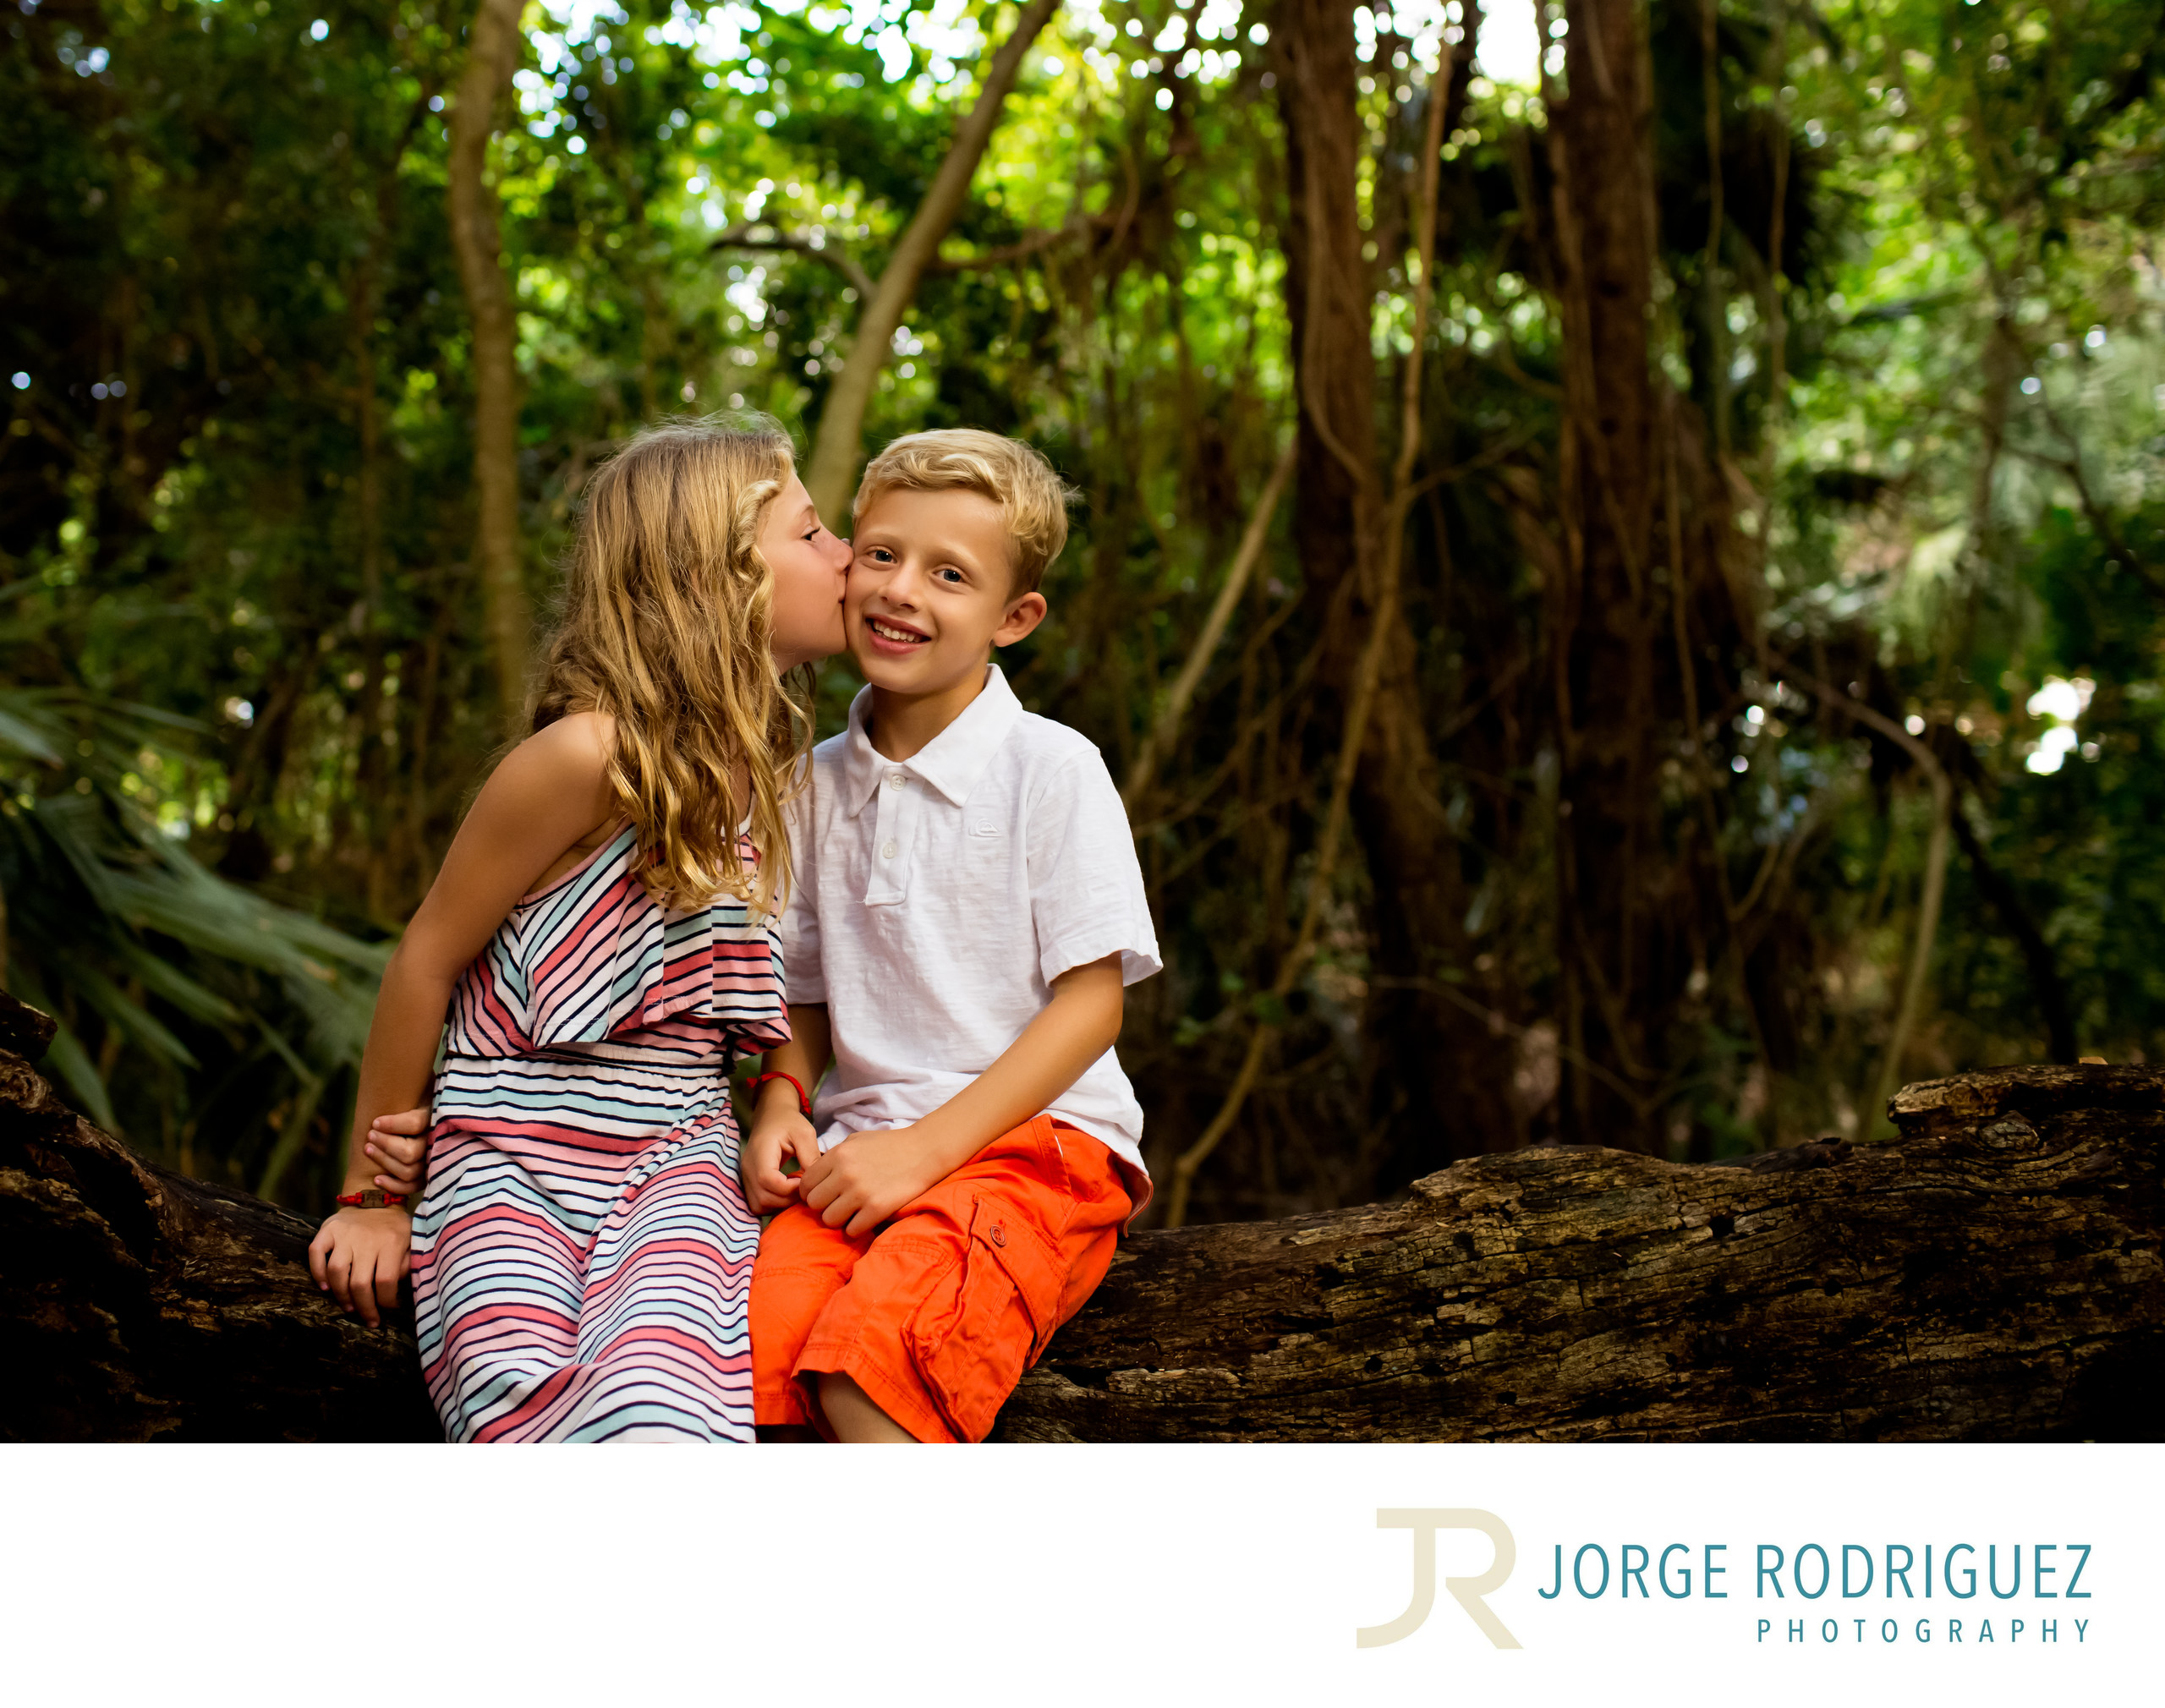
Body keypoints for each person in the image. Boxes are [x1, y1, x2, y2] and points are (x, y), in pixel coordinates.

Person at [305, 415, 850, 1442]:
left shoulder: (771, 779)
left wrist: (781, 1097)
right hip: (507, 1156)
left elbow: (758, 986)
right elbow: (427, 956)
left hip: (677, 1158)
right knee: (521, 1403)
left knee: (666, 1410)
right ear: (721, 572)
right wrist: (372, 1196)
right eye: (813, 533)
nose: (846, 554)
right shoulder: (582, 757)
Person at [739, 429, 1159, 1443]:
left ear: (1013, 618)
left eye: (949, 574)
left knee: (866, 1374)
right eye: (880, 554)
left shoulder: (1049, 768)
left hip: (1035, 1148)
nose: (900, 591)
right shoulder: (805, 783)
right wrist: (783, 1100)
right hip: (857, 1154)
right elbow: (796, 990)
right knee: (750, 1373)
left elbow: (1094, 1003)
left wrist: (926, 1150)